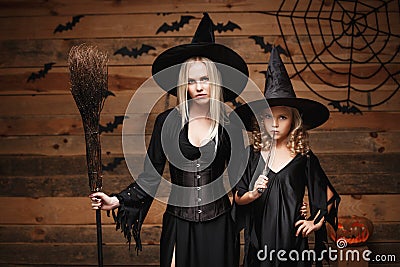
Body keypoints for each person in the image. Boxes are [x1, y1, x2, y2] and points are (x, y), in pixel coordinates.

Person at [89, 13, 249, 267]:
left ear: (215, 82)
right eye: (191, 81)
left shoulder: (229, 124)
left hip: (219, 225)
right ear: (183, 85)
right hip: (179, 222)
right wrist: (117, 200)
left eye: (204, 79)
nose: (198, 86)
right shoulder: (168, 122)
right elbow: (151, 177)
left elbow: (245, 180)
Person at [232, 47, 340, 267]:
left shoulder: (304, 157)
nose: (274, 124)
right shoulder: (251, 155)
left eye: (282, 117)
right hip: (259, 240)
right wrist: (253, 193)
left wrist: (315, 222)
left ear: (294, 121)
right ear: (260, 120)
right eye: (268, 117)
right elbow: (237, 197)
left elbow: (329, 196)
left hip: (293, 242)